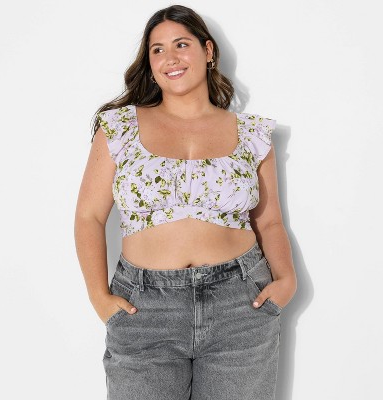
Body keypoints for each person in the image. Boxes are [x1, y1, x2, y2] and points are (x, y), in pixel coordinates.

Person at [74, 4, 297, 400]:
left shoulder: (251, 133)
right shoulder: (119, 126)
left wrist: (286, 281)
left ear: (208, 51)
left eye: (181, 44)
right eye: (157, 49)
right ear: (149, 63)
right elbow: (89, 217)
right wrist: (98, 296)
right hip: (143, 308)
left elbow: (269, 222)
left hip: (240, 305)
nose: (170, 58)